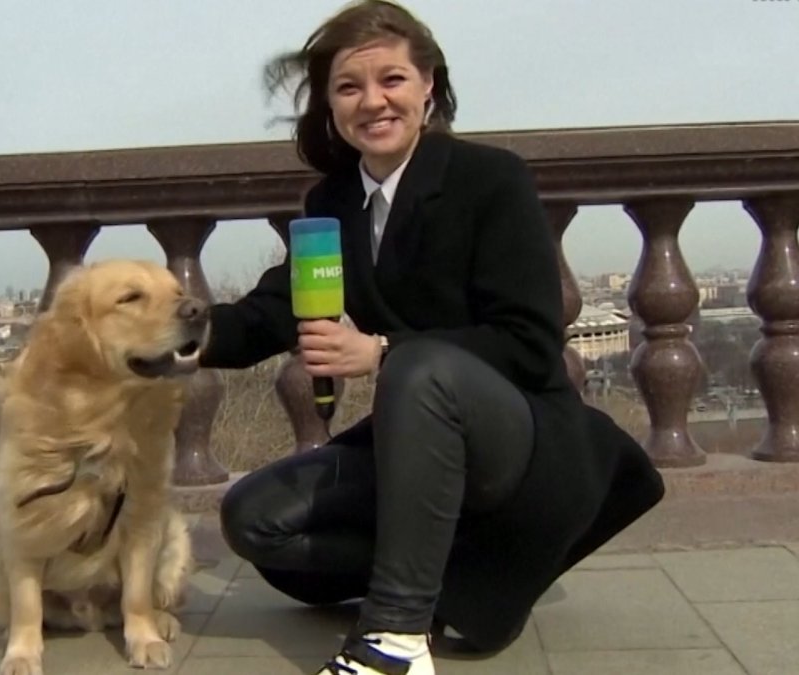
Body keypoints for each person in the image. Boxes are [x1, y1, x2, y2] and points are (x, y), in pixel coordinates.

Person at [196, 2, 666, 674]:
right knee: (255, 516)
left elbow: (532, 342)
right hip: (415, 443)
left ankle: (394, 635)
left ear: (428, 88)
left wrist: (381, 350)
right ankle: (461, 571)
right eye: (349, 87)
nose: (373, 101)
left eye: (391, 79)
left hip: (516, 436)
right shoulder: (332, 203)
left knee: (418, 369)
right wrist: (164, 336)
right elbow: (272, 310)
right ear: (330, 105)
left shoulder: (490, 179)